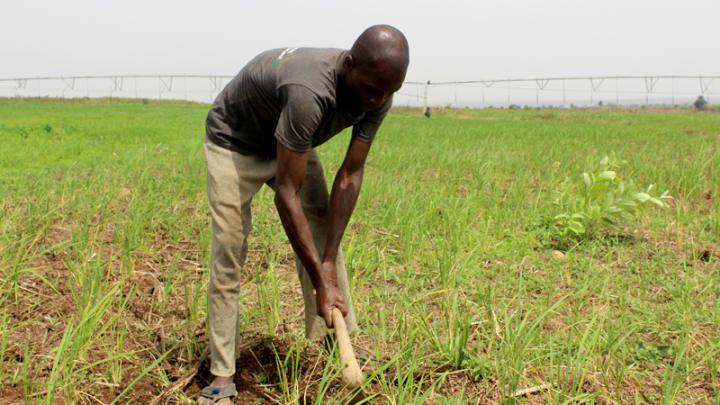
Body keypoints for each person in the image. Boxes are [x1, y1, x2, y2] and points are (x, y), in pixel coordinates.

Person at [199, 25, 409, 404]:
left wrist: (326, 262)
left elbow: (351, 174)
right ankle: (222, 373)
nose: (376, 101)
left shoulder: (379, 91)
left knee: (324, 229)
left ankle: (335, 345)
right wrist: (320, 276)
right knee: (230, 248)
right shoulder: (310, 92)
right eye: (370, 90)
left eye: (386, 93)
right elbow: (286, 193)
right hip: (235, 142)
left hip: (291, 141)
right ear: (349, 65)